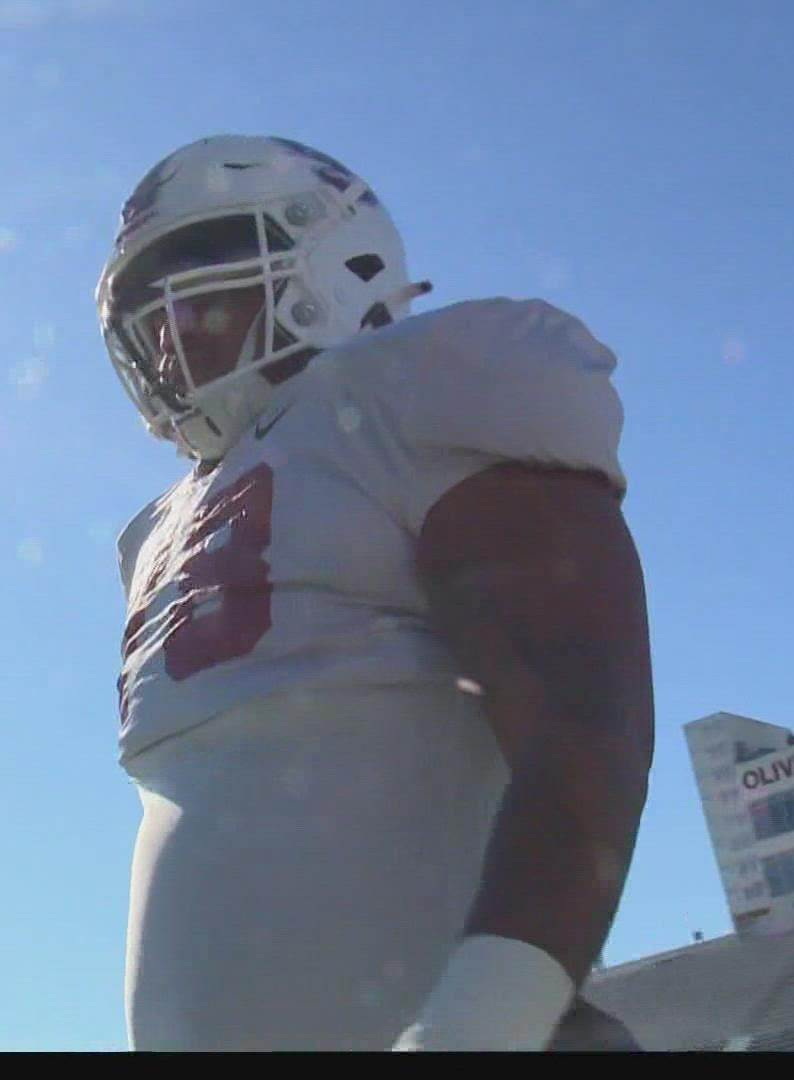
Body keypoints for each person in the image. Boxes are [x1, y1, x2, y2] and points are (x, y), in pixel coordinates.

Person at [96, 134, 655, 1051]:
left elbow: (584, 712)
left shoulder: (415, 383)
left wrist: (490, 1013)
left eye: (195, 274)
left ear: (330, 261)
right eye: (143, 308)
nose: (167, 331)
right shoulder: (151, 534)